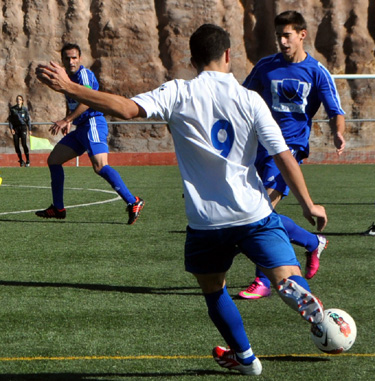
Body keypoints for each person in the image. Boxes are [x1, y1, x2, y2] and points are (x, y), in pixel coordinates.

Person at [37, 24, 329, 376]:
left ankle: (246, 358)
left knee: (215, 290)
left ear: (192, 59)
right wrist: (309, 204)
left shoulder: (179, 92)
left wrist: (70, 88)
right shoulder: (250, 99)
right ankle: (295, 294)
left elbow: (126, 109)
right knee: (286, 276)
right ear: (228, 55)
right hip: (253, 212)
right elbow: (282, 154)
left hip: (206, 222)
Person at [238, 10, 346, 300]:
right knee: (252, 211)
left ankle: (262, 280)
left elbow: (336, 109)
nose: (282, 42)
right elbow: (242, 99)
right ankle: (312, 242)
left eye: (287, 35)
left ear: (302, 35)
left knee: (261, 212)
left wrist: (338, 132)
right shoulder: (265, 67)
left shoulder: (316, 71)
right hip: (259, 148)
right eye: (278, 36)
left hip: (290, 150)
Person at [35, 43, 144, 224]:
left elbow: (87, 100)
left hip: (93, 123)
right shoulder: (67, 79)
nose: (71, 61)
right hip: (81, 128)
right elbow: (74, 103)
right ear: (62, 60)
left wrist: (67, 119)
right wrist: (69, 120)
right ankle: (58, 208)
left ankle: (133, 202)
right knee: (53, 160)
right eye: (67, 58)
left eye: (74, 58)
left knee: (100, 166)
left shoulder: (83, 75)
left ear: (80, 59)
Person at [8, 95, 32, 167]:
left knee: (24, 144)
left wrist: (30, 129)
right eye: (17, 99)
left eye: (20, 99)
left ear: (22, 101)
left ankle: (28, 160)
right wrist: (11, 128)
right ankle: (21, 160)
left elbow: (28, 120)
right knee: (16, 145)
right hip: (16, 128)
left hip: (23, 127)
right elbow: (10, 120)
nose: (18, 100)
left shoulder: (24, 109)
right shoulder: (13, 109)